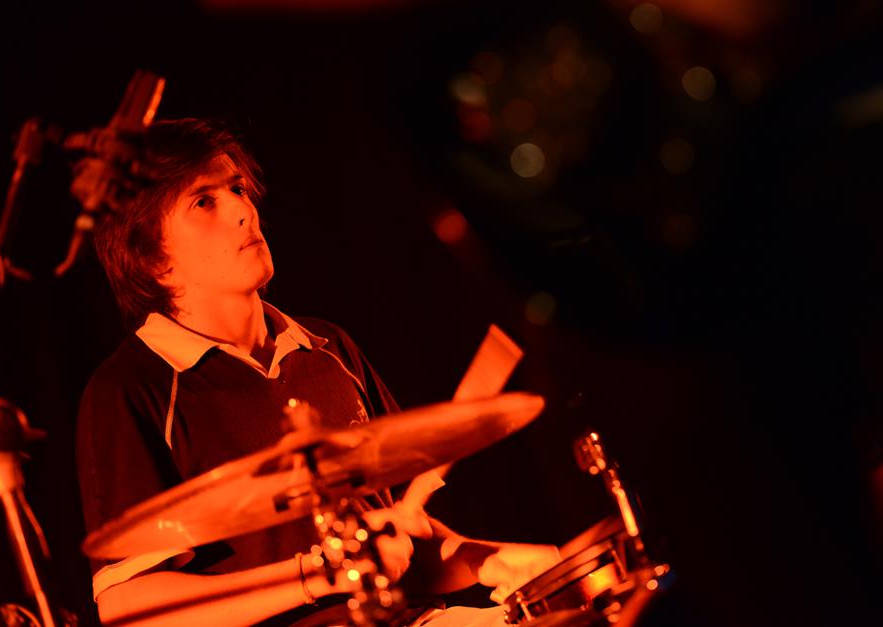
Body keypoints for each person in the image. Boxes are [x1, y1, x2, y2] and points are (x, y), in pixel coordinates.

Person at [76, 118, 560, 626]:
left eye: (237, 189)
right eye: (203, 202)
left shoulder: (327, 347)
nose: (243, 210)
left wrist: (484, 561)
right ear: (153, 258)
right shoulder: (133, 388)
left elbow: (400, 542)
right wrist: (322, 573)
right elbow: (129, 608)